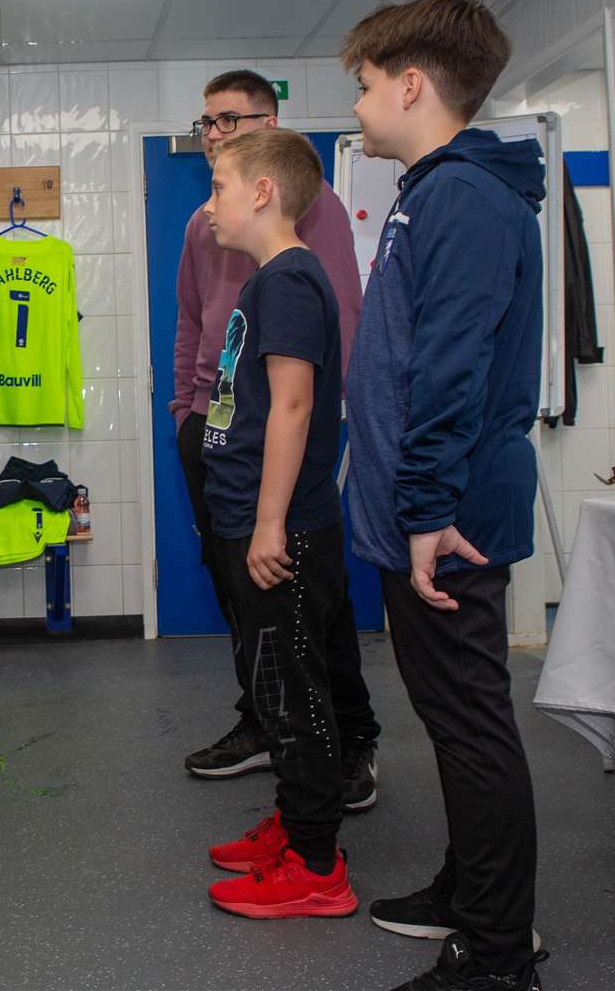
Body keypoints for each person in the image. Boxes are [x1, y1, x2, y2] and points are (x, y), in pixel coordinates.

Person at [342, 0, 547, 991]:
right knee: (453, 716)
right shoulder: (434, 191)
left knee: (469, 725)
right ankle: (468, 892)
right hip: (424, 509)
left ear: (411, 83)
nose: (360, 104)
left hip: (449, 516)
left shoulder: (458, 196)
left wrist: (422, 509)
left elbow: (449, 370)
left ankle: (499, 955)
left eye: (367, 84)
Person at [174, 71, 380, 809]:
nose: (215, 135)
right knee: (245, 596)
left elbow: (340, 318)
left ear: (271, 121)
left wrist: (324, 426)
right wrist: (185, 412)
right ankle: (268, 722)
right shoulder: (208, 219)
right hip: (216, 425)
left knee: (305, 597)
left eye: (231, 120)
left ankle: (347, 742)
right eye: (208, 123)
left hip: (285, 432)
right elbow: (194, 321)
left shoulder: (309, 207)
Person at [191, 129, 362, 919]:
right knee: (279, 686)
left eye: (220, 185)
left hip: (280, 528)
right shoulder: (269, 281)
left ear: (262, 190)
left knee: (293, 695)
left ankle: (317, 865)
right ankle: (298, 826)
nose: (210, 203)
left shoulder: (291, 280)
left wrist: (268, 524)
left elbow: (293, 405)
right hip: (253, 517)